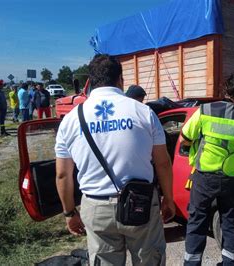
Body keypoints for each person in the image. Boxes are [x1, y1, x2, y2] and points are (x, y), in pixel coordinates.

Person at [55, 54, 175, 265]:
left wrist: (69, 212)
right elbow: (163, 162)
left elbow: (63, 174)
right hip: (142, 203)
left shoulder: (71, 119)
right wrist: (169, 198)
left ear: (89, 81)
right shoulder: (144, 113)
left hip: (96, 207)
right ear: (121, 79)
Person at [181, 72, 234, 265]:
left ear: (226, 88)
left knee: (197, 221)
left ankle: (192, 263)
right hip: (230, 179)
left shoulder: (205, 110)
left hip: (205, 177)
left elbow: (185, 138)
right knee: (230, 222)